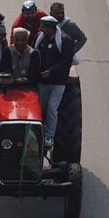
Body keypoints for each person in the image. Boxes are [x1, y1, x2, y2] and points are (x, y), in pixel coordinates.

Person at [34, 16, 73, 148]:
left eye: (43, 26)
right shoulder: (40, 38)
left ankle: (48, 136)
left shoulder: (65, 40)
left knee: (51, 108)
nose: (40, 29)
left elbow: (66, 61)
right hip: (42, 82)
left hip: (58, 82)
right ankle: (36, 134)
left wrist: (51, 71)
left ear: (51, 28)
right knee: (40, 108)